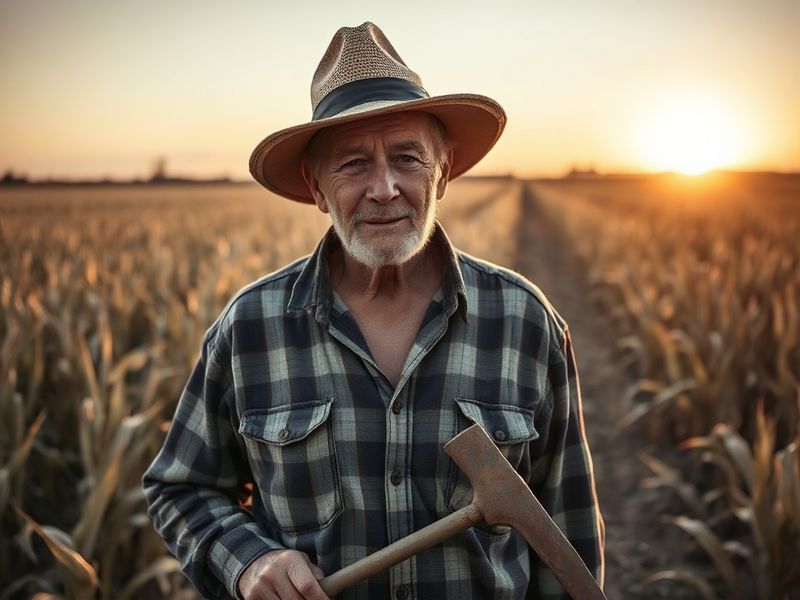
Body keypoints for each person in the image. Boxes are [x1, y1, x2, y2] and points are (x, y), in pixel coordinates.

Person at [143, 21, 604, 600]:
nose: (384, 187)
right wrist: (248, 561)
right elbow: (179, 489)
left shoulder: (525, 322)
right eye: (354, 164)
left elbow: (567, 532)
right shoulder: (249, 328)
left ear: (443, 171)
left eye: (407, 158)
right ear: (317, 188)